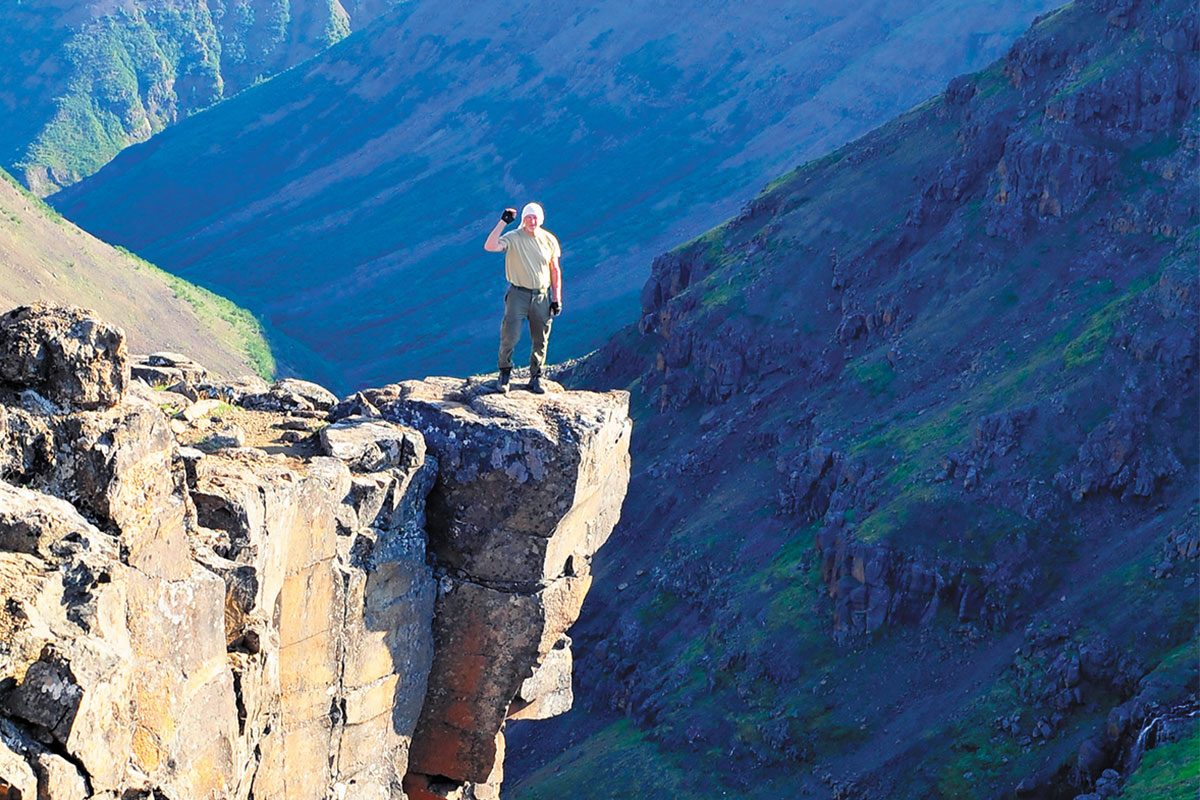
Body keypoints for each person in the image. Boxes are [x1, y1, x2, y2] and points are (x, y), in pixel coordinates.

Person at [483, 202, 562, 394]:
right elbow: (490, 246)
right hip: (518, 294)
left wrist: (556, 298)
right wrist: (502, 223)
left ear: (541, 219)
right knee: (510, 335)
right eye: (528, 217)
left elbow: (555, 270)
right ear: (523, 219)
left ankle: (536, 377)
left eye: (535, 217)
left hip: (542, 295)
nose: (532, 221)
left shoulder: (549, 240)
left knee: (540, 338)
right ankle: (504, 373)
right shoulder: (513, 237)